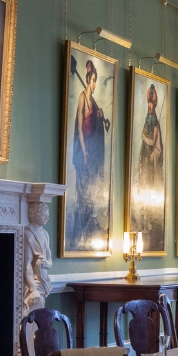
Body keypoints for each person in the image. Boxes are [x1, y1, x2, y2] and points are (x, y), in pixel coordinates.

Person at [69, 59, 109, 246]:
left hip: (92, 157)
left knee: (91, 197)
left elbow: (95, 130)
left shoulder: (93, 102)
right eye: (93, 80)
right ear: (88, 80)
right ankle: (78, 236)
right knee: (82, 196)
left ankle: (85, 237)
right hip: (83, 155)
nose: (94, 84)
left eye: (95, 80)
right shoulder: (83, 99)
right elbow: (79, 129)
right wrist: (84, 152)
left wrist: (100, 118)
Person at [130, 84, 165, 251]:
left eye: (152, 104)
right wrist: (138, 161)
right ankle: (142, 225)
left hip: (152, 167)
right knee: (141, 191)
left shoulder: (156, 126)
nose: (150, 106)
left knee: (150, 191)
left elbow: (159, 148)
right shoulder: (146, 125)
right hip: (144, 164)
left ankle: (151, 227)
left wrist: (155, 154)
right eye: (148, 104)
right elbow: (142, 146)